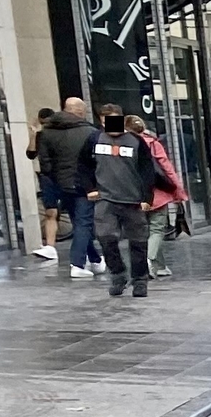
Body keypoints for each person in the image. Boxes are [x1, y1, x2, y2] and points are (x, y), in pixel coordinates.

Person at [88, 106, 161, 298]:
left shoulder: (135, 141)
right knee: (106, 238)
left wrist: (147, 197)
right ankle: (118, 274)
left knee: (138, 241)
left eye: (111, 120)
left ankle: (139, 280)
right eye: (104, 121)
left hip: (132, 200)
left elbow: (147, 170)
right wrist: (90, 188)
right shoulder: (94, 139)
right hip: (105, 198)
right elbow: (84, 165)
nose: (107, 125)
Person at [38, 97, 100, 278]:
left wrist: (55, 180)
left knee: (79, 221)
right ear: (81, 112)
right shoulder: (90, 131)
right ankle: (78, 263)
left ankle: (95, 260)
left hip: (60, 185)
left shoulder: (47, 132)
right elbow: (96, 161)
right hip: (84, 185)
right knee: (83, 222)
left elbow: (45, 163)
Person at [127, 111, 186, 279]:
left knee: (146, 231)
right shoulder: (153, 143)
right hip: (157, 193)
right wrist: (178, 190)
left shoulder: (123, 145)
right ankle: (149, 259)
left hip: (134, 193)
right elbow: (167, 168)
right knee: (157, 229)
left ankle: (159, 266)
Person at [28, 108, 64, 259]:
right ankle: (50, 246)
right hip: (48, 177)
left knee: (77, 212)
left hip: (64, 175)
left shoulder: (62, 135)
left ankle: (88, 250)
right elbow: (31, 154)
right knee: (51, 211)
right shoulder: (41, 136)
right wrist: (34, 134)